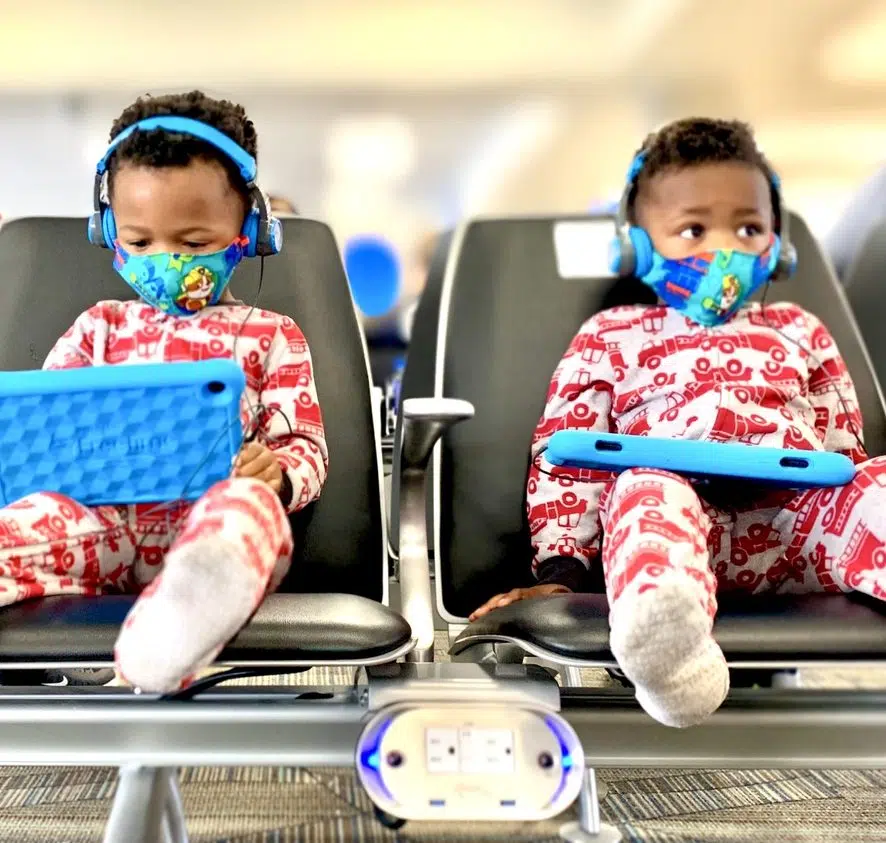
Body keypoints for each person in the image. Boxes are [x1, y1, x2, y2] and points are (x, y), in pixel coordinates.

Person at [470, 117, 886, 729]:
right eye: (693, 229)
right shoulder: (611, 335)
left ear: (777, 243)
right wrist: (563, 569)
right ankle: (669, 649)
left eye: (748, 228)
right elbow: (566, 459)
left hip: (795, 526)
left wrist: (853, 496)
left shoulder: (800, 328)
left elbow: (840, 442)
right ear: (637, 246)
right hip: (685, 531)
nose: (725, 250)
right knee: (642, 488)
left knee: (875, 483)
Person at [0, 91, 327, 693]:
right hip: (98, 529)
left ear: (249, 232)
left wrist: (275, 471)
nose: (166, 259)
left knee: (246, 513)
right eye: (141, 242)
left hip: (212, 523)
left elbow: (305, 446)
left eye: (195, 241)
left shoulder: (272, 335)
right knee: (25, 520)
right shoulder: (98, 328)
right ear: (108, 233)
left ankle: (178, 622)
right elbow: (44, 429)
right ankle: (158, 627)